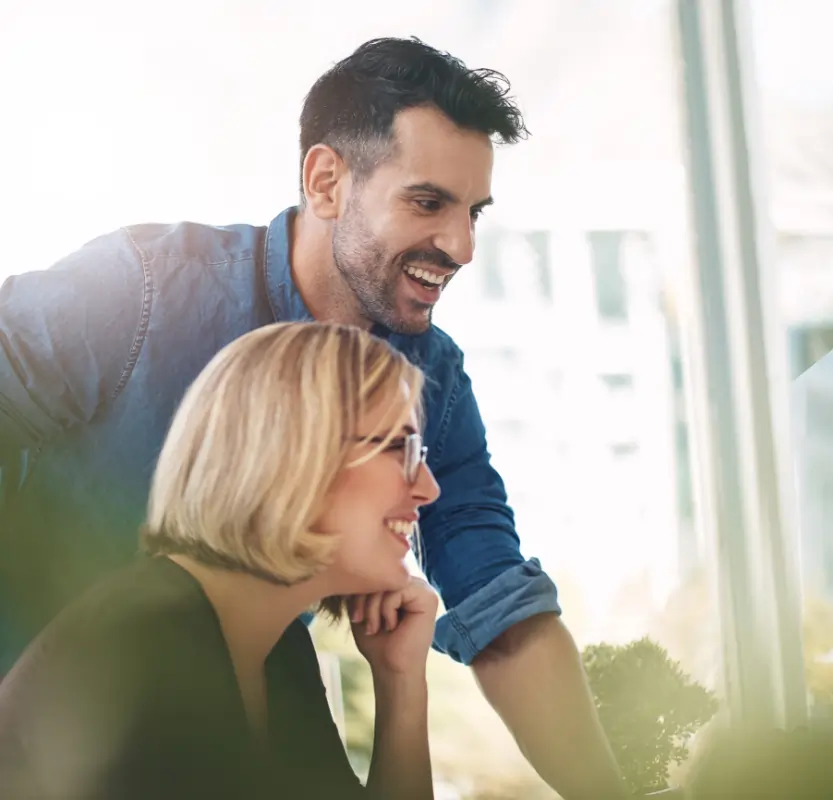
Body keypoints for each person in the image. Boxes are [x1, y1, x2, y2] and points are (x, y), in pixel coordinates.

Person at [0, 36, 628, 798]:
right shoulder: (139, 294)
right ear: (327, 182)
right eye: (427, 202)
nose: (461, 245)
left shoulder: (281, 657)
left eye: (474, 213)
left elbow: (502, 613)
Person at [0, 322, 440, 799]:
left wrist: (401, 687)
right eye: (403, 448)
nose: (428, 488)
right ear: (292, 451)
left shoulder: (277, 650)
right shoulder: (147, 650)